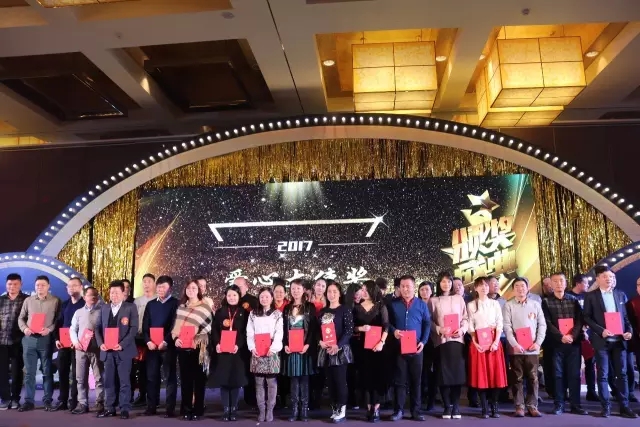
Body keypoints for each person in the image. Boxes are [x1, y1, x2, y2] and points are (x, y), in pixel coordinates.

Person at [583, 266, 637, 418]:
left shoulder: (620, 294)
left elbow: (625, 318)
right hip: (601, 341)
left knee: (622, 374)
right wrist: (601, 330)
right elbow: (586, 317)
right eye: (605, 276)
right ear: (598, 279)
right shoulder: (591, 296)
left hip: (619, 341)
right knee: (603, 374)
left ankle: (624, 407)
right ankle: (605, 407)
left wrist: (629, 331)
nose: (609, 279)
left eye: (612, 277)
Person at [541, 272, 587, 416]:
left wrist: (572, 336)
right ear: (551, 284)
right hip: (555, 344)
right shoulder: (546, 302)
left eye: (561, 281)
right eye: (555, 281)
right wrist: (561, 336)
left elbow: (579, 321)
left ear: (566, 283)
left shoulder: (574, 300)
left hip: (573, 343)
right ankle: (559, 404)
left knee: (574, 375)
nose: (558, 284)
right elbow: (547, 322)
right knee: (558, 375)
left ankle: (576, 405)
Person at [388, 275, 431, 422]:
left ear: (414, 287)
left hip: (416, 348)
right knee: (399, 381)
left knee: (416, 381)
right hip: (399, 348)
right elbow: (387, 323)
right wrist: (394, 331)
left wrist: (423, 342)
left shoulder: (421, 304)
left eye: (408, 286)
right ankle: (398, 410)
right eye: (402, 286)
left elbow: (427, 324)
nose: (405, 289)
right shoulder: (393, 304)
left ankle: (416, 411)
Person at [94, 280, 138, 419]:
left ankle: (124, 408)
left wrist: (122, 344)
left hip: (123, 351)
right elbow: (97, 328)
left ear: (123, 293)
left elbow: (134, 329)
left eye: (117, 292)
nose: (114, 295)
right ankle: (110, 408)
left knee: (124, 381)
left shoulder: (130, 307)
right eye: (112, 292)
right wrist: (100, 343)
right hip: (107, 351)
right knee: (109, 381)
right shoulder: (104, 308)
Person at [503, 277, 546, 418]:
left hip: (532, 348)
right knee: (517, 377)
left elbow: (542, 325)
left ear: (528, 288)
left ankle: (532, 406)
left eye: (523, 286)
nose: (520, 289)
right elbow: (507, 327)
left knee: (533, 377)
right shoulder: (508, 305)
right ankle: (519, 406)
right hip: (516, 349)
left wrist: (538, 343)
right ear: (513, 289)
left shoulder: (535, 304)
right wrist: (514, 344)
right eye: (517, 286)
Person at [17, 275, 61, 412]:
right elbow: (21, 318)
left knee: (47, 371)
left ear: (48, 286)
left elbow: (57, 320)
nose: (40, 287)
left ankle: (47, 400)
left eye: (43, 285)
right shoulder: (28, 300)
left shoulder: (55, 301)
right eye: (37, 285)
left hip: (46, 340)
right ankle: (29, 401)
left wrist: (49, 329)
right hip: (29, 340)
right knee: (29, 373)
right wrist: (25, 329)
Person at [429, 272, 468, 419]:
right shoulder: (433, 300)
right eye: (443, 281)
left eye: (449, 281)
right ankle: (446, 406)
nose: (447, 284)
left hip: (457, 341)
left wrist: (462, 330)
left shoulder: (459, 299)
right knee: (443, 375)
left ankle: (456, 406)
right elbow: (429, 321)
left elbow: (465, 318)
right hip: (442, 342)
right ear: (439, 283)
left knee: (457, 374)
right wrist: (439, 329)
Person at [467, 277, 508, 419]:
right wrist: (475, 342)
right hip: (478, 343)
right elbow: (470, 325)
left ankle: (494, 406)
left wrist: (496, 341)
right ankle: (484, 407)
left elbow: (500, 323)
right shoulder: (471, 305)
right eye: (480, 285)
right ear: (475, 288)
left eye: (485, 285)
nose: (484, 288)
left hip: (494, 342)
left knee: (495, 375)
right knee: (481, 376)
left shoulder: (495, 304)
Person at [172, 279, 213, 421]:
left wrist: (197, 339)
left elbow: (208, 328)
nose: (191, 290)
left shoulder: (205, 307)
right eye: (188, 288)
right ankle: (186, 409)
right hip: (183, 348)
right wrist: (175, 339)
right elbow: (176, 328)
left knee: (199, 381)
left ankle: (198, 410)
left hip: (199, 349)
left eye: (194, 288)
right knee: (185, 380)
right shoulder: (181, 307)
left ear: (199, 290)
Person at [142, 275, 179, 418]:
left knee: (170, 377)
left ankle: (170, 409)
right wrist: (148, 341)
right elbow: (145, 325)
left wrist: (166, 341)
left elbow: (175, 325)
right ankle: (151, 406)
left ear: (170, 288)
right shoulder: (151, 304)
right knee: (151, 377)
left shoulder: (176, 303)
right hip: (152, 346)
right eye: (159, 287)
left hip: (168, 347)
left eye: (163, 287)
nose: (160, 289)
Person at [212, 284, 249, 421]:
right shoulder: (220, 312)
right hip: (223, 351)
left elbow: (245, 332)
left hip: (237, 352)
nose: (232, 297)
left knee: (235, 380)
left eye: (234, 295)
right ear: (225, 297)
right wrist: (217, 343)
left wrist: (238, 345)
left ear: (239, 296)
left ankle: (233, 409)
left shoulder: (244, 312)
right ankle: (226, 409)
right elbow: (214, 330)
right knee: (224, 380)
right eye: (229, 295)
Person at [282, 279, 317, 422]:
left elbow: (313, 328)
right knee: (294, 380)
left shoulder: (310, 307)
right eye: (293, 288)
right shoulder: (287, 308)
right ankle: (294, 409)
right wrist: (285, 344)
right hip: (291, 348)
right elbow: (283, 329)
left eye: (298, 288)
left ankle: (304, 410)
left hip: (304, 348)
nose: (295, 291)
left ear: (303, 290)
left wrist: (308, 344)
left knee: (304, 379)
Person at [354, 280, 389, 422]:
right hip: (362, 347)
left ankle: (377, 408)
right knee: (365, 377)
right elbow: (352, 327)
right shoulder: (357, 307)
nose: (363, 292)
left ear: (372, 291)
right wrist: (361, 328)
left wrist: (382, 342)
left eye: (365, 289)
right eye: (362, 289)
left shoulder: (381, 306)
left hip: (378, 347)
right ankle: (369, 407)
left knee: (378, 377)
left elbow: (386, 326)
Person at [247, 287, 284, 422]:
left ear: (272, 298)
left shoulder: (277, 314)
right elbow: (250, 332)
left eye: (267, 296)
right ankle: (261, 410)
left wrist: (273, 348)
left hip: (271, 350)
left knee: (271, 382)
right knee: (258, 382)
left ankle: (270, 410)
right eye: (262, 296)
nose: (264, 299)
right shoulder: (253, 314)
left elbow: (279, 332)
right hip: (257, 350)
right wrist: (252, 347)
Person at [318, 282, 354, 423]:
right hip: (326, 351)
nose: (331, 294)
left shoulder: (345, 309)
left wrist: (338, 345)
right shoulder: (323, 311)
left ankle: (342, 409)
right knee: (330, 381)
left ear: (339, 293)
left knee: (340, 380)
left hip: (340, 350)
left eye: (334, 291)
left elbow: (349, 330)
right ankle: (334, 408)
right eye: (329, 291)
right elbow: (317, 330)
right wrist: (320, 341)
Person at [69, 286, 105, 414]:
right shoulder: (78, 312)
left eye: (95, 295)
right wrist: (75, 342)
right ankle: (82, 403)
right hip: (81, 349)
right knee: (80, 378)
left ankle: (100, 402)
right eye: (90, 295)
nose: (93, 297)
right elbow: (73, 329)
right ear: (84, 297)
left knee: (99, 377)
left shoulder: (103, 311)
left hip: (97, 348)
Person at [53, 277, 85, 412]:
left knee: (77, 375)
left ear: (81, 287)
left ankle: (74, 401)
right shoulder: (65, 304)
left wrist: (77, 341)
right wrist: (57, 339)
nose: (71, 288)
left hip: (78, 344)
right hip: (64, 343)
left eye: (74, 285)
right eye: (69, 286)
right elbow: (58, 323)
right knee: (62, 372)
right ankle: (62, 400)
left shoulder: (85, 304)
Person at [567, 273, 598, 401]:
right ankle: (572, 393)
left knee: (590, 363)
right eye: (586, 282)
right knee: (573, 366)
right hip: (573, 335)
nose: (588, 285)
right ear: (578, 283)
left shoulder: (588, 297)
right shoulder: (568, 297)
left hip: (588, 336)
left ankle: (591, 391)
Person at [0, 273, 28, 410]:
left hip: (19, 341)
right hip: (1, 341)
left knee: (17, 372)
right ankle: (5, 398)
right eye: (10, 284)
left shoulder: (27, 300)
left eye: (15, 284)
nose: (12, 286)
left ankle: (15, 398)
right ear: (6, 285)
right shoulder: (1, 300)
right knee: (2, 372)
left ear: (21, 284)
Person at [131, 273, 156, 408]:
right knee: (140, 368)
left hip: (153, 339)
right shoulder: (137, 301)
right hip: (139, 338)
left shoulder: (157, 299)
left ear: (154, 284)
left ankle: (153, 397)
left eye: (149, 281)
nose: (146, 284)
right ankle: (141, 395)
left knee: (152, 369)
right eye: (144, 281)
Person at [233, 277, 258, 407]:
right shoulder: (230, 299)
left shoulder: (253, 301)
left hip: (249, 340)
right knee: (235, 370)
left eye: (240, 286)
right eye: (235, 286)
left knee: (250, 370)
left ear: (247, 287)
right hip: (233, 341)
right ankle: (233, 402)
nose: (237, 289)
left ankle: (251, 399)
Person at [417, 281, 436, 410]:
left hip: (433, 341)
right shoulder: (416, 303)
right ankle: (421, 398)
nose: (424, 292)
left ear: (431, 291)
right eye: (422, 289)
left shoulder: (436, 303)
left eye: (427, 289)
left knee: (431, 372)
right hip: (419, 341)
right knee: (421, 371)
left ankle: (431, 400)